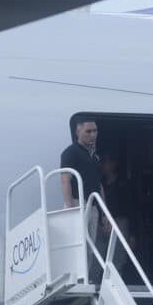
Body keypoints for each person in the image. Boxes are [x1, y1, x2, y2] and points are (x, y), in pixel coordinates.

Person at [60, 117, 106, 282]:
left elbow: (99, 185)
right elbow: (65, 179)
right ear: (78, 131)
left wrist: (104, 213)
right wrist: (70, 206)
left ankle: (84, 276)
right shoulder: (70, 152)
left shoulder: (94, 157)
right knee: (77, 243)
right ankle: (76, 277)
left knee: (89, 246)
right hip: (77, 202)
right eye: (88, 131)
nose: (92, 134)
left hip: (92, 206)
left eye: (95, 131)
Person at [98, 152, 134, 274]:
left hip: (120, 222)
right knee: (100, 253)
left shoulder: (124, 184)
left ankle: (116, 280)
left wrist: (133, 234)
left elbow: (132, 209)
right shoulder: (99, 184)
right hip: (102, 222)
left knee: (119, 256)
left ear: (113, 164)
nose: (103, 165)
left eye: (105, 161)